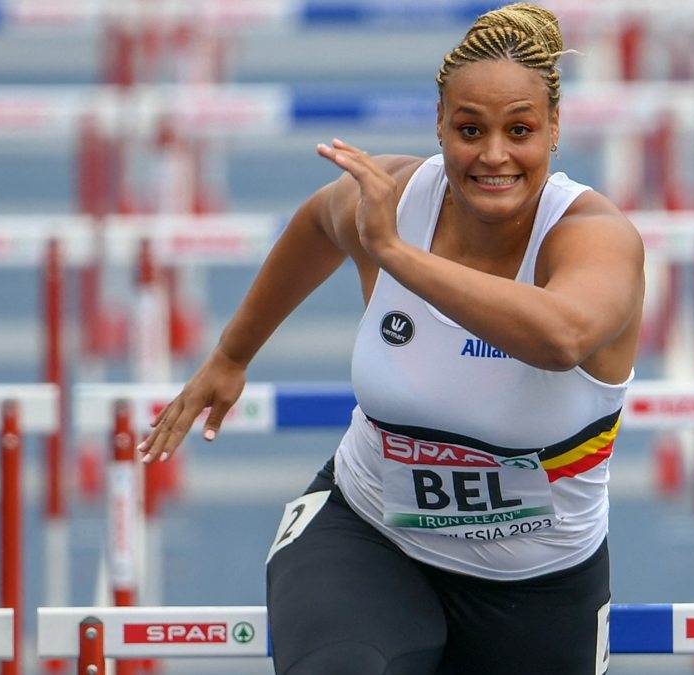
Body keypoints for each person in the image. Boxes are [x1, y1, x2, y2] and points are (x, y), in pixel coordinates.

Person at [137, 3, 645, 673]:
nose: (493, 154)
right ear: (439, 124)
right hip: (369, 538)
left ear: (555, 127)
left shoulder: (593, 237)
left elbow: (562, 336)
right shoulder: (399, 199)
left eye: (519, 130)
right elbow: (317, 223)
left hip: (538, 586)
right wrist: (232, 355)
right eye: (469, 129)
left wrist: (397, 256)